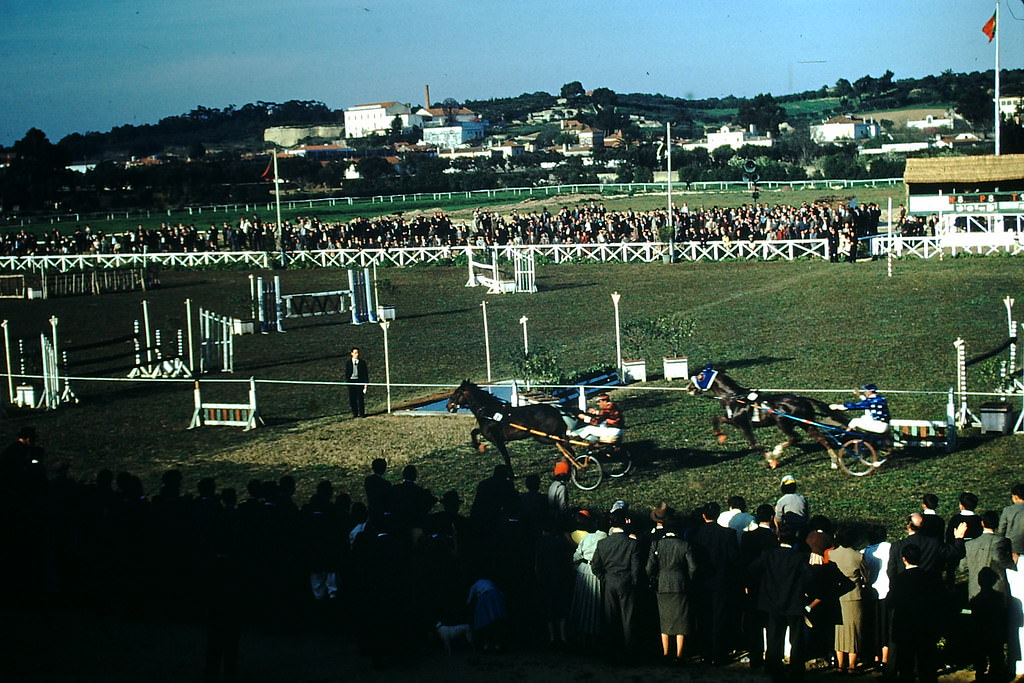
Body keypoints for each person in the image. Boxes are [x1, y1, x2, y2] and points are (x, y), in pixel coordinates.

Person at [344, 347, 368, 417]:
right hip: (351, 382)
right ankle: (355, 413)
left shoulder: (362, 362)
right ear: (351, 354)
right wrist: (348, 382)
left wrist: (365, 384)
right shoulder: (348, 363)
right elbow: (347, 373)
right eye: (355, 353)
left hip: (359, 381)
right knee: (352, 399)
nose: (356, 354)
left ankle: (362, 413)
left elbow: (365, 374)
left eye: (357, 353)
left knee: (360, 398)